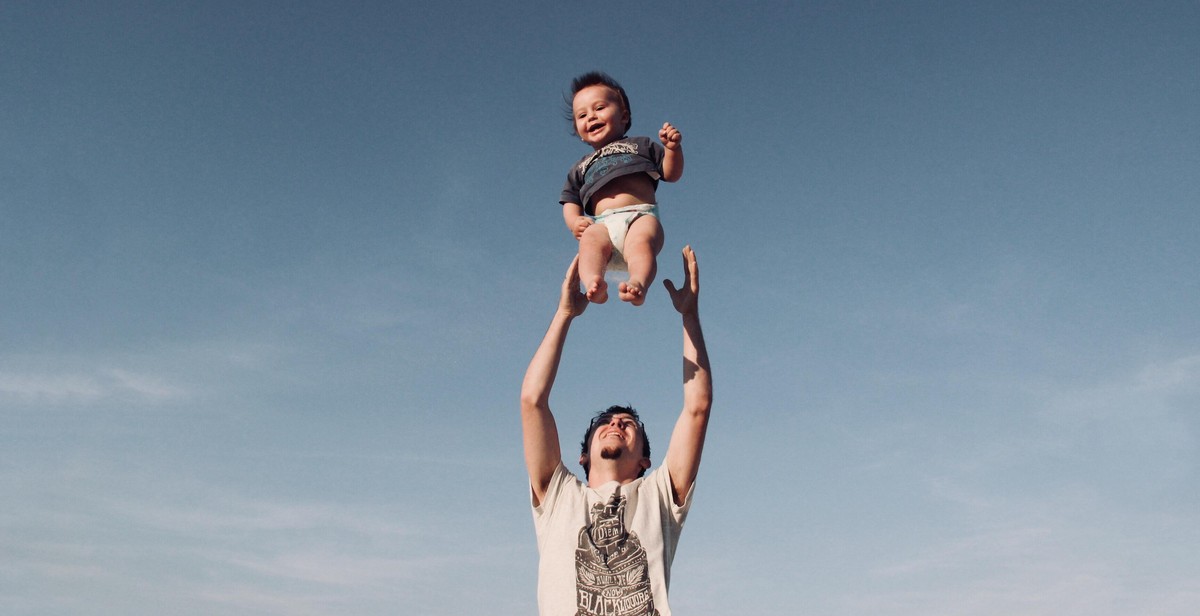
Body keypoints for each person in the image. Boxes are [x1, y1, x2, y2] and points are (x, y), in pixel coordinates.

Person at [520, 246, 712, 616]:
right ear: (582, 455)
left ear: (645, 459)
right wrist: (564, 314)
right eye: (605, 422)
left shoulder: (659, 497)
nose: (616, 423)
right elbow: (532, 402)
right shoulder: (558, 496)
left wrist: (689, 315)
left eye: (629, 424)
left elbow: (697, 408)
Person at [560, 71, 684, 306]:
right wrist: (575, 222)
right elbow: (570, 200)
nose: (591, 117)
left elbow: (671, 173)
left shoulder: (641, 145)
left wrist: (672, 150)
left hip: (640, 215)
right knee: (589, 242)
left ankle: (638, 283)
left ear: (624, 115)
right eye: (582, 115)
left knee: (640, 245)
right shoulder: (581, 167)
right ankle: (594, 282)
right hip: (602, 223)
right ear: (578, 131)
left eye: (599, 108)